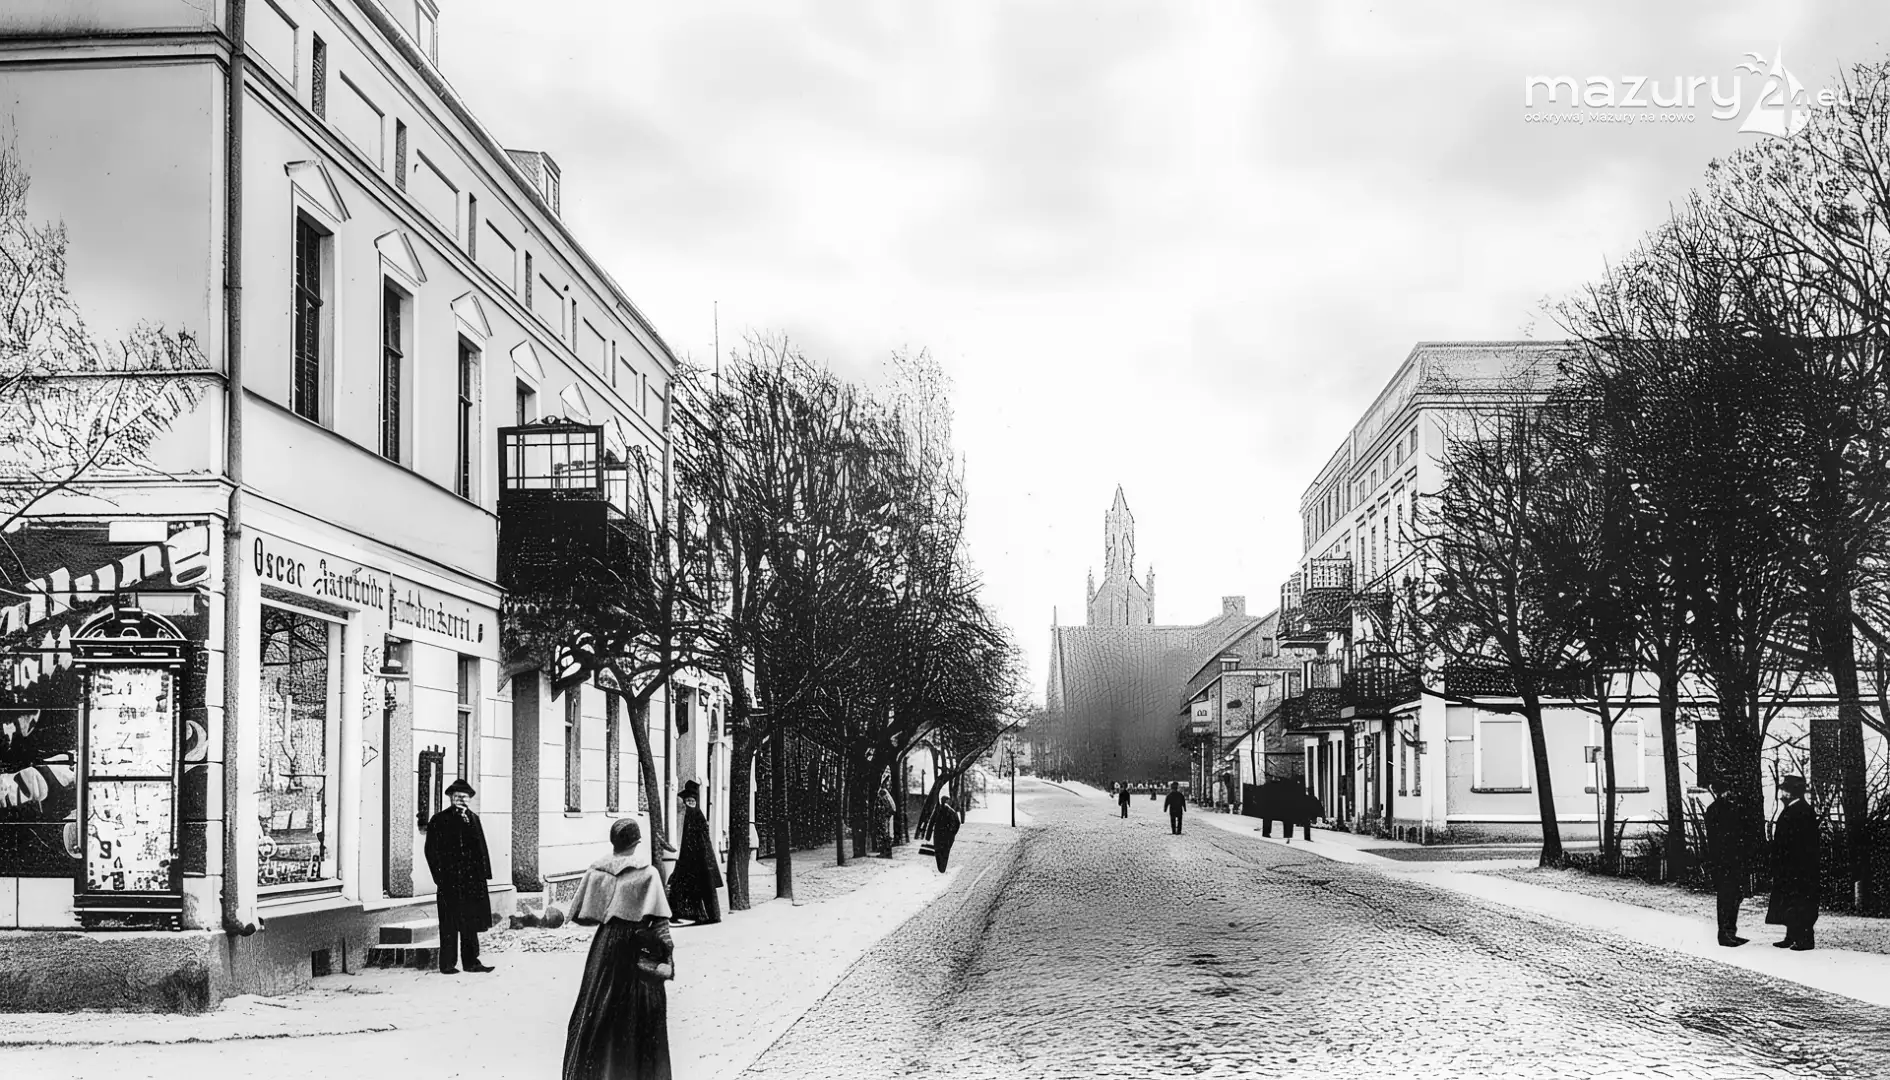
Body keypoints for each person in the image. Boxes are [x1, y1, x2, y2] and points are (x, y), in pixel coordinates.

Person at [562, 818, 674, 1080]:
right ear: (637, 842)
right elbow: (660, 920)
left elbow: (580, 916)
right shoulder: (647, 873)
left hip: (605, 947)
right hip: (637, 946)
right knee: (638, 1017)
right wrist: (666, 957)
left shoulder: (596, 871)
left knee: (598, 1008)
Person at [423, 778, 495, 975]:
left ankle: (472, 962)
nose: (462, 800)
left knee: (470, 922)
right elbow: (431, 851)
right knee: (449, 923)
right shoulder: (440, 820)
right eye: (457, 797)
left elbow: (481, 849)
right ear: (450, 798)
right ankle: (447, 964)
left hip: (472, 883)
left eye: (465, 797)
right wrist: (440, 877)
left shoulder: (473, 819)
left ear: (470, 799)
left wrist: (484, 875)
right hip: (450, 882)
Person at [1765, 774, 1821, 951]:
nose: (1782, 793)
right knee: (1790, 901)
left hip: (1799, 867)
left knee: (1801, 902)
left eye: (1785, 790)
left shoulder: (1802, 811)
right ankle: (1791, 936)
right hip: (1789, 866)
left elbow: (1803, 843)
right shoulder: (1793, 808)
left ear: (1793, 792)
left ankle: (1805, 940)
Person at [665, 780, 722, 926]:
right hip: (688, 857)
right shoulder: (687, 815)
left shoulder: (696, 816)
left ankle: (709, 916)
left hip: (699, 859)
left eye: (692, 801)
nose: (690, 803)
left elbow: (702, 841)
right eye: (688, 801)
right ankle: (678, 914)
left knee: (700, 887)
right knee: (679, 885)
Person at [1702, 778, 1748, 947]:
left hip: (1733, 861)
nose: (1730, 794)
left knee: (1735, 896)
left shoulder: (1733, 808)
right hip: (1723, 862)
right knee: (1726, 898)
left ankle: (1731, 932)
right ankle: (1724, 934)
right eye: (1727, 791)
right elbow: (1718, 841)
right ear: (1719, 792)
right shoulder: (1715, 810)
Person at [931, 796, 962, 872]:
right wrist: (952, 833)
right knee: (944, 851)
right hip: (945, 835)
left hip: (940, 835)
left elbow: (932, 822)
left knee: (939, 851)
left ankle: (941, 868)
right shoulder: (951, 811)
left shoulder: (939, 810)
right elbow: (957, 823)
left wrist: (952, 833)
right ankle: (942, 868)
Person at [876, 782, 898, 857]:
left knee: (884, 833)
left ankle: (885, 852)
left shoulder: (882, 792)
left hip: (886, 814)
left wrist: (885, 813)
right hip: (888, 814)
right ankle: (887, 852)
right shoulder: (884, 791)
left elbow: (886, 803)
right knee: (886, 832)